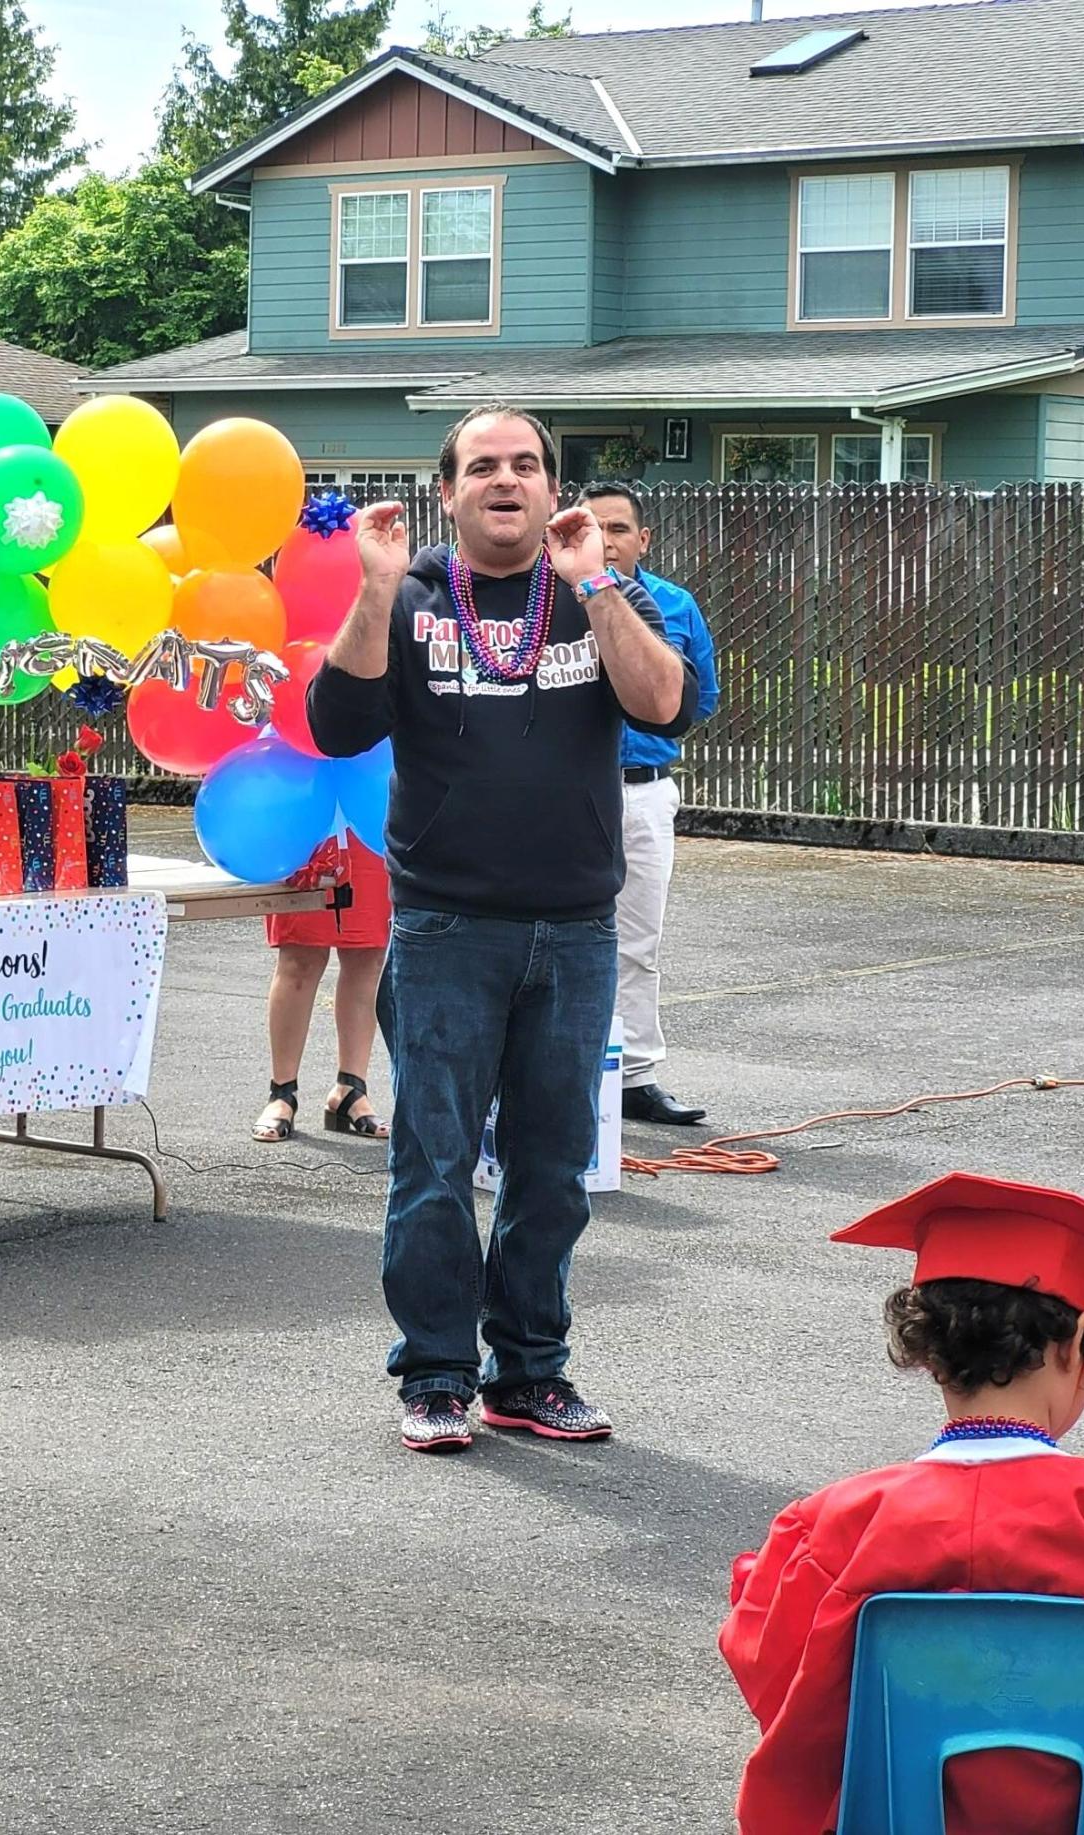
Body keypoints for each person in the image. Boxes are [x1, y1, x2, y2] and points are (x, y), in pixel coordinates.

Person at [307, 402, 698, 1454]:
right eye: (482, 465)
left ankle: (528, 1372)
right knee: (432, 1162)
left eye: (525, 464)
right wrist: (376, 587)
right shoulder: (412, 593)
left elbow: (665, 707)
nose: (505, 480)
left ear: (551, 489)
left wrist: (596, 585)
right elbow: (333, 724)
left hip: (572, 930)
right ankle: (436, 1372)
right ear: (448, 490)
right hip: (445, 927)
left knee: (551, 1166)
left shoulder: (592, 586)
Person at [721, 1171, 1084, 1835]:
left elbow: (775, 1678)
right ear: (1078, 1346)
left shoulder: (838, 1524)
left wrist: (758, 1582)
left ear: (928, 1355)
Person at [578, 481, 719, 1127]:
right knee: (564, 932)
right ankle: (566, 1069)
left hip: (643, 789)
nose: (606, 539)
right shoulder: (554, 600)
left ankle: (634, 1075)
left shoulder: (676, 605)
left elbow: (700, 697)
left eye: (618, 527)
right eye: (593, 526)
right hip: (573, 788)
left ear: (643, 538)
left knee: (638, 940)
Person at [252, 835, 391, 1144]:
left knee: (368, 954)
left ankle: (351, 1088)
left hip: (368, 822)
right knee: (299, 956)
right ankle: (282, 1092)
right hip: (311, 821)